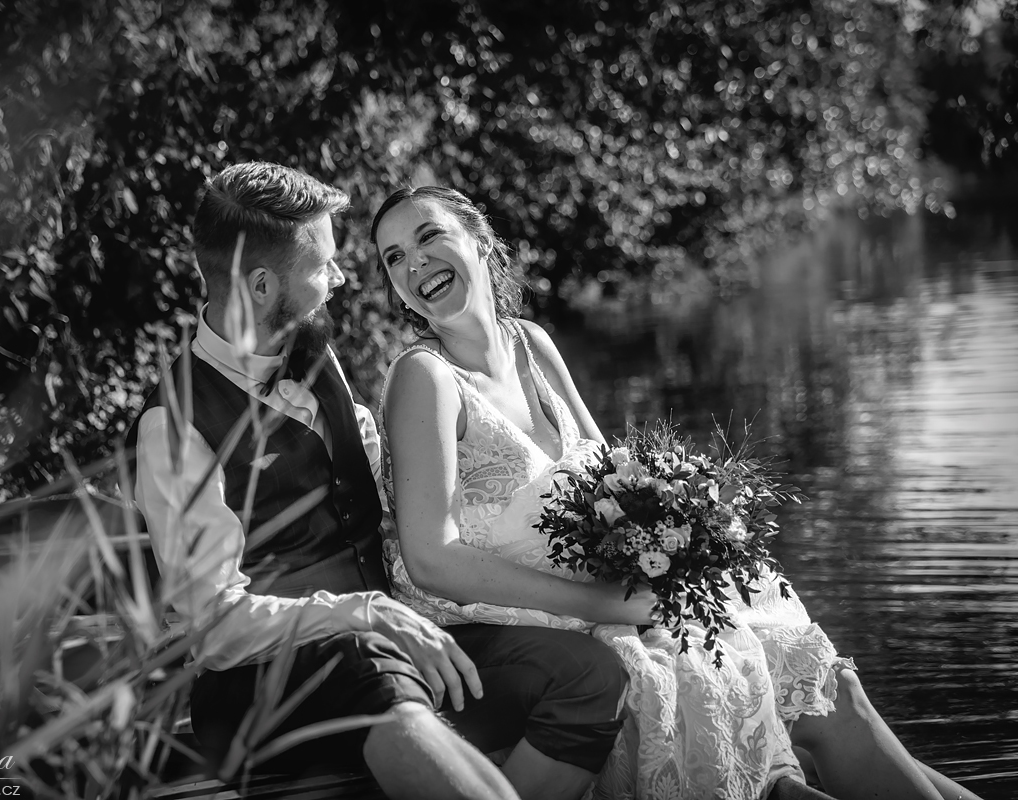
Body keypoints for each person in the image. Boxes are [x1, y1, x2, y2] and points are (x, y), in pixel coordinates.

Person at [370, 185, 984, 800]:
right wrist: (611, 605)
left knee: (828, 684)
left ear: (480, 241)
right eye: (394, 257)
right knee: (720, 691)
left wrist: (680, 539)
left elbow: (613, 478)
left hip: (607, 593)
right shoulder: (425, 377)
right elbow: (431, 559)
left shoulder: (529, 343)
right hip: (517, 618)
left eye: (429, 236)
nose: (415, 264)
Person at [132, 162, 630, 800]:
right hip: (260, 689)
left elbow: (385, 494)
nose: (341, 280)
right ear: (260, 285)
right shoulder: (175, 427)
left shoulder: (316, 357)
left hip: (396, 647)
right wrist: (361, 613)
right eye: (323, 267)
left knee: (589, 675)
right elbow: (214, 625)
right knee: (368, 664)